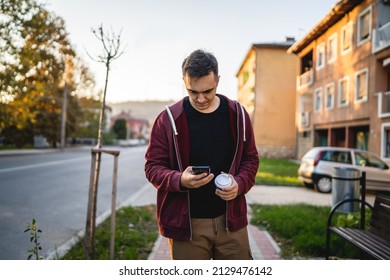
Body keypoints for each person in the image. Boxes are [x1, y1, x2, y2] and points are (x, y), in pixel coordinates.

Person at [144, 49, 259, 260]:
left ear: (218, 80)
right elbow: (152, 167)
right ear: (184, 81)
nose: (201, 98)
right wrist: (180, 180)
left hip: (231, 221)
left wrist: (240, 184)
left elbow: (250, 159)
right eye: (192, 92)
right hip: (187, 226)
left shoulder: (238, 115)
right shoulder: (168, 119)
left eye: (208, 91)